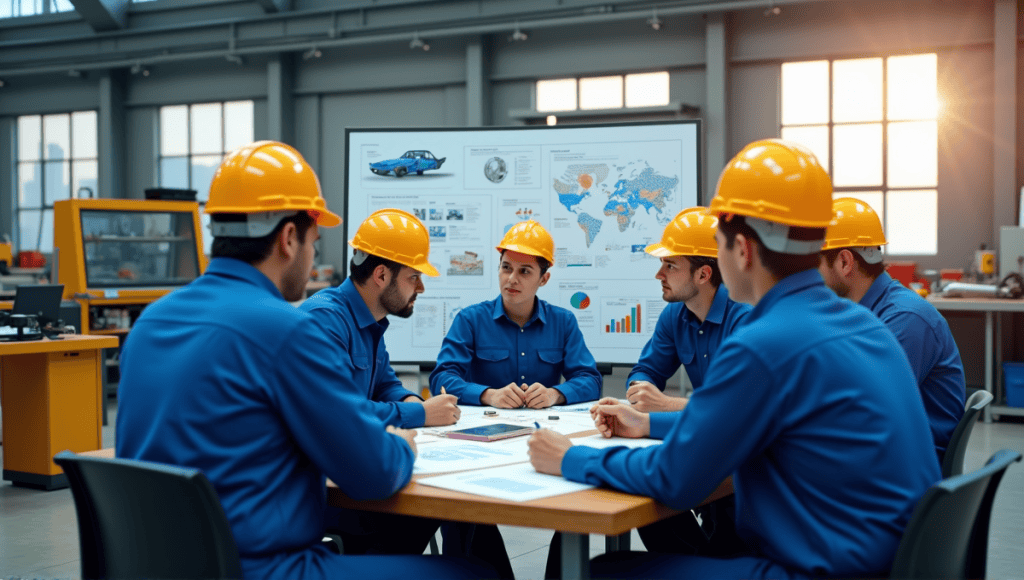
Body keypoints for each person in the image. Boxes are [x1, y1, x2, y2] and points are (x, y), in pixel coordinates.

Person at [528, 139, 940, 579]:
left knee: (603, 571)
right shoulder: (866, 327)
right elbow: (729, 423)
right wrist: (647, 423)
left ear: (742, 250)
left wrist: (571, 458)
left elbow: (676, 478)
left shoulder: (764, 344)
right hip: (885, 564)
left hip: (816, 571)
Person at [116, 141, 489, 580]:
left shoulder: (150, 323)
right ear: (289, 238)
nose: (314, 259)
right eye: (315, 241)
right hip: (265, 569)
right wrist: (403, 444)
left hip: (158, 567)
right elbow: (373, 474)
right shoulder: (285, 331)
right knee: (475, 573)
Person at [818, 197, 966, 460]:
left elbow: (865, 414)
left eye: (814, 265)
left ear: (844, 262)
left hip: (902, 468)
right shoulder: (865, 313)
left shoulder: (905, 319)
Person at [299, 208, 459, 430]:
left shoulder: (370, 320)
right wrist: (421, 413)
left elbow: (384, 386)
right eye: (414, 277)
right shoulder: (325, 320)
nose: (420, 288)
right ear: (381, 275)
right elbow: (338, 412)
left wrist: (413, 402)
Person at [429, 220, 601, 407]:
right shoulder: (470, 320)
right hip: (484, 425)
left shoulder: (563, 322)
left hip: (544, 428)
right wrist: (488, 395)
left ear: (544, 279)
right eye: (506, 267)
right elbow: (441, 380)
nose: (511, 279)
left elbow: (590, 380)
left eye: (524, 271)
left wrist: (555, 394)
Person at [626, 207, 751, 412]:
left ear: (703, 275)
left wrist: (665, 404)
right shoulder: (674, 314)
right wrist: (639, 390)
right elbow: (647, 370)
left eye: (670, 266)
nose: (659, 275)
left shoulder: (745, 319)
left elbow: (741, 407)